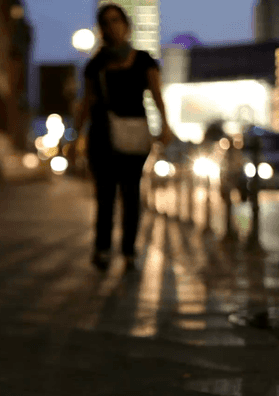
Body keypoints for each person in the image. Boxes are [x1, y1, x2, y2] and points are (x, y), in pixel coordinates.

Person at [71, 3, 174, 272]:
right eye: (106, 22)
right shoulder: (95, 64)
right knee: (104, 195)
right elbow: (86, 102)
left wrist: (166, 126)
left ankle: (129, 251)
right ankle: (102, 249)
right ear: (101, 29)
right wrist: (75, 137)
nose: (112, 26)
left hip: (134, 136)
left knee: (131, 194)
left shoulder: (144, 60)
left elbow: (157, 95)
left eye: (116, 20)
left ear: (127, 25)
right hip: (102, 136)